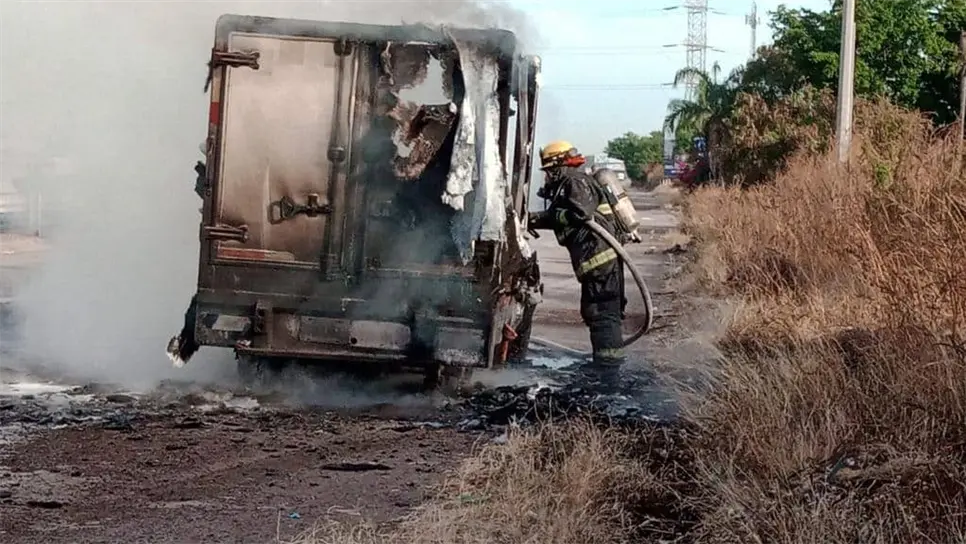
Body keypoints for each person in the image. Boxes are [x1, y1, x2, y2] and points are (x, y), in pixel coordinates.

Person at [528, 140, 627, 389]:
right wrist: (538, 219)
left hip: (601, 261)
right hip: (595, 263)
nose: (548, 177)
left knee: (604, 314)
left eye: (550, 170)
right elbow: (566, 216)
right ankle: (602, 369)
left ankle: (608, 377)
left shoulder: (576, 181)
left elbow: (578, 214)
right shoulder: (569, 184)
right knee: (595, 312)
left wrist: (544, 217)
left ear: (560, 165)